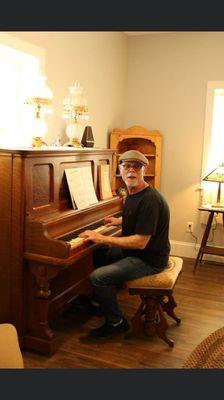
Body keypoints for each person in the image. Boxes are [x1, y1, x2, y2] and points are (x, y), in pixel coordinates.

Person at [80, 149, 170, 338]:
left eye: (137, 167)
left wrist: (102, 237)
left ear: (144, 170)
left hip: (149, 259)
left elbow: (140, 242)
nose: (132, 171)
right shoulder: (133, 192)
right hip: (140, 253)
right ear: (119, 169)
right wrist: (120, 221)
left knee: (98, 276)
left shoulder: (150, 200)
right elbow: (137, 218)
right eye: (127, 166)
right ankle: (101, 302)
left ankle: (116, 323)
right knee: (100, 253)